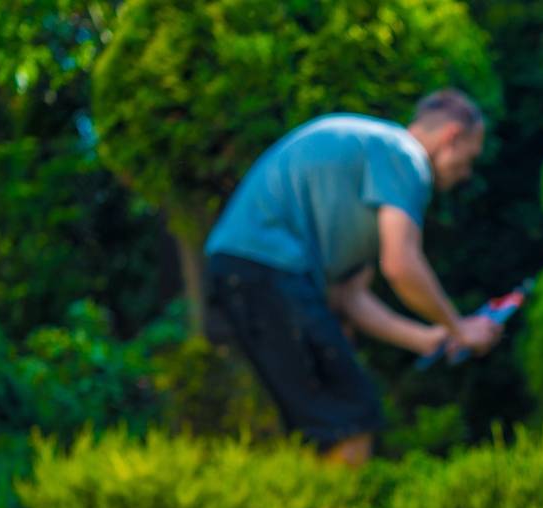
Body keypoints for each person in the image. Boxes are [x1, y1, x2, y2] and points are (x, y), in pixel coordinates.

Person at [204, 89, 503, 466]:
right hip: (267, 269)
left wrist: (428, 338)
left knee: (323, 421)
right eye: (468, 158)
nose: (466, 172)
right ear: (452, 136)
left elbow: (350, 297)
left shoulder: (371, 162)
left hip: (245, 271)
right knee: (350, 418)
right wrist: (460, 328)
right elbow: (400, 264)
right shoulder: (404, 158)